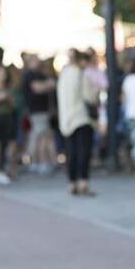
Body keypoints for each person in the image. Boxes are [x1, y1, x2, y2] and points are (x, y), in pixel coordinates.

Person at [57, 50, 96, 196]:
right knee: (83, 151)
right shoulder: (81, 74)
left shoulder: (63, 75)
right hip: (81, 117)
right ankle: (83, 182)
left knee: (71, 152)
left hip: (66, 118)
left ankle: (71, 182)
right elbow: (90, 96)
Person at [23, 54, 58, 174]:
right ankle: (39, 162)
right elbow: (37, 88)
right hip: (37, 111)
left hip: (43, 110)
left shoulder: (40, 74)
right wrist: (48, 85)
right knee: (41, 137)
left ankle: (39, 162)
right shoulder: (29, 75)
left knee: (42, 136)